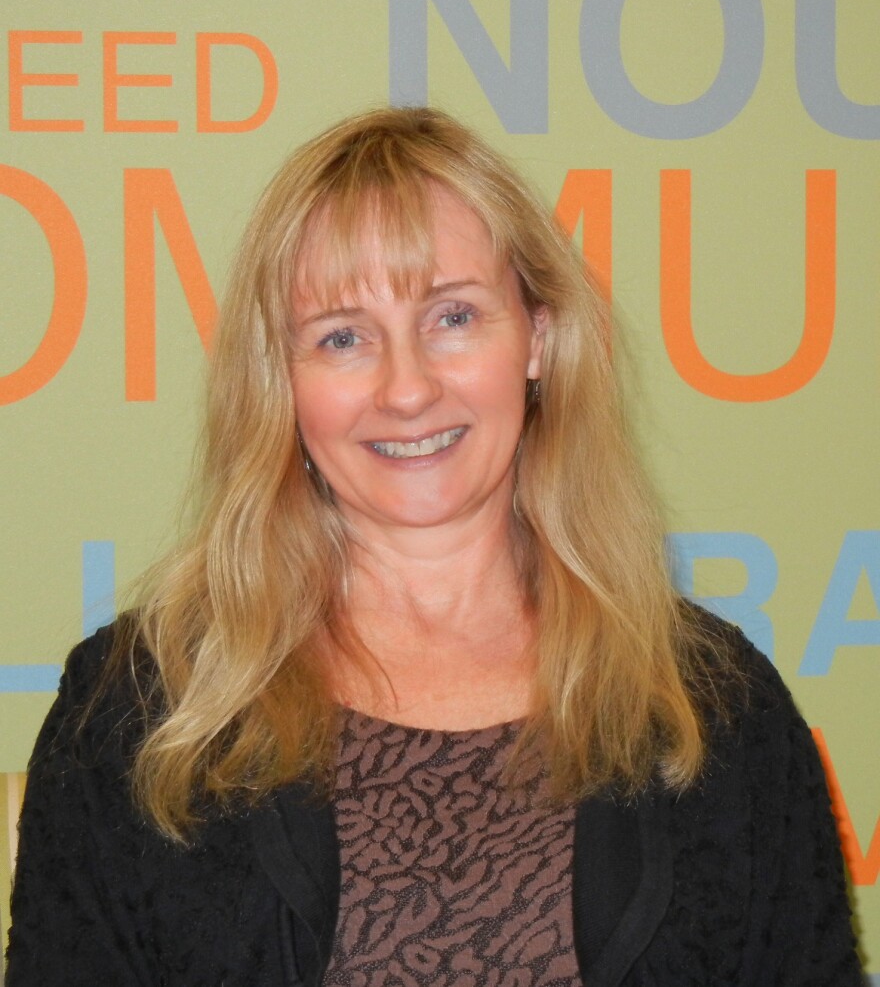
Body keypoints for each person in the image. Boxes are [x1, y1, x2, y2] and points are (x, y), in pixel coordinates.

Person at [5, 108, 862, 986]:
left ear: (537, 337)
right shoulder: (138, 711)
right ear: (280, 379)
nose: (407, 389)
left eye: (453, 316)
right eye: (342, 336)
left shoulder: (712, 708)